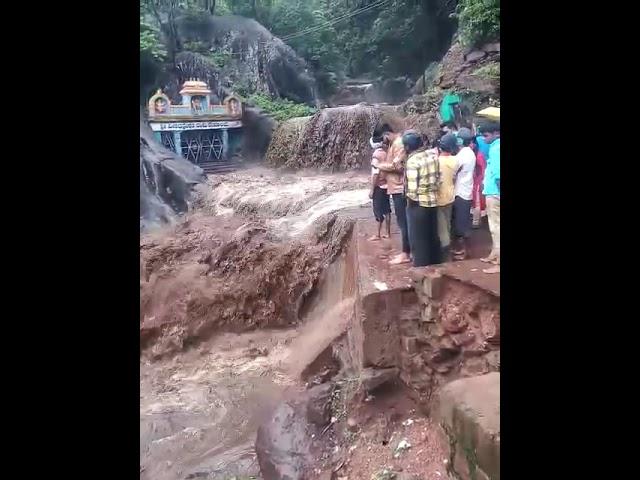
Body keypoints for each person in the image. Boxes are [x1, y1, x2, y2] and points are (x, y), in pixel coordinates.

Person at [403, 131, 441, 267]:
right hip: (433, 201)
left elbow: (412, 190)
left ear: (407, 147)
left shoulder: (413, 161)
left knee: (419, 239)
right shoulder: (432, 155)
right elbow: (438, 177)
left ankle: (421, 269)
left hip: (418, 205)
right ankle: (436, 265)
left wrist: (410, 201)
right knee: (432, 235)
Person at [376, 128, 410, 265]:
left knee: (403, 222)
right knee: (403, 222)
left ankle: (406, 253)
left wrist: (380, 165)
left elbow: (398, 166)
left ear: (387, 134)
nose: (383, 142)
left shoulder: (399, 144)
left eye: (383, 138)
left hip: (399, 187)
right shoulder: (394, 143)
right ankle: (406, 251)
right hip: (395, 186)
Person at [451, 127, 477, 259]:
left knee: (462, 225)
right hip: (465, 190)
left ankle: (467, 252)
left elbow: (454, 171)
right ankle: (463, 250)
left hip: (461, 192)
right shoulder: (469, 152)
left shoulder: (463, 155)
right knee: (462, 222)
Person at [479, 121, 500, 274]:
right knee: (494, 227)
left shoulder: (497, 148)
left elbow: (498, 174)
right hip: (493, 191)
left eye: (486, 135)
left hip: (495, 193)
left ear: (496, 133)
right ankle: (494, 255)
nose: (484, 138)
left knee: (496, 228)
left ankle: (498, 263)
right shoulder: (494, 147)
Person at [436, 133, 459, 261]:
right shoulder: (455, 160)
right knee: (447, 225)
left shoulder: (437, 161)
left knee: (441, 227)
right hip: (450, 196)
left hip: (439, 197)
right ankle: (448, 250)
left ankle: (446, 256)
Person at [368, 135, 391, 241]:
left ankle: (377, 234)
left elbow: (375, 173)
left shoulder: (376, 155)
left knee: (377, 211)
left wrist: (372, 189)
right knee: (387, 210)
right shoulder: (386, 153)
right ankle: (388, 233)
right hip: (387, 185)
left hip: (379, 186)